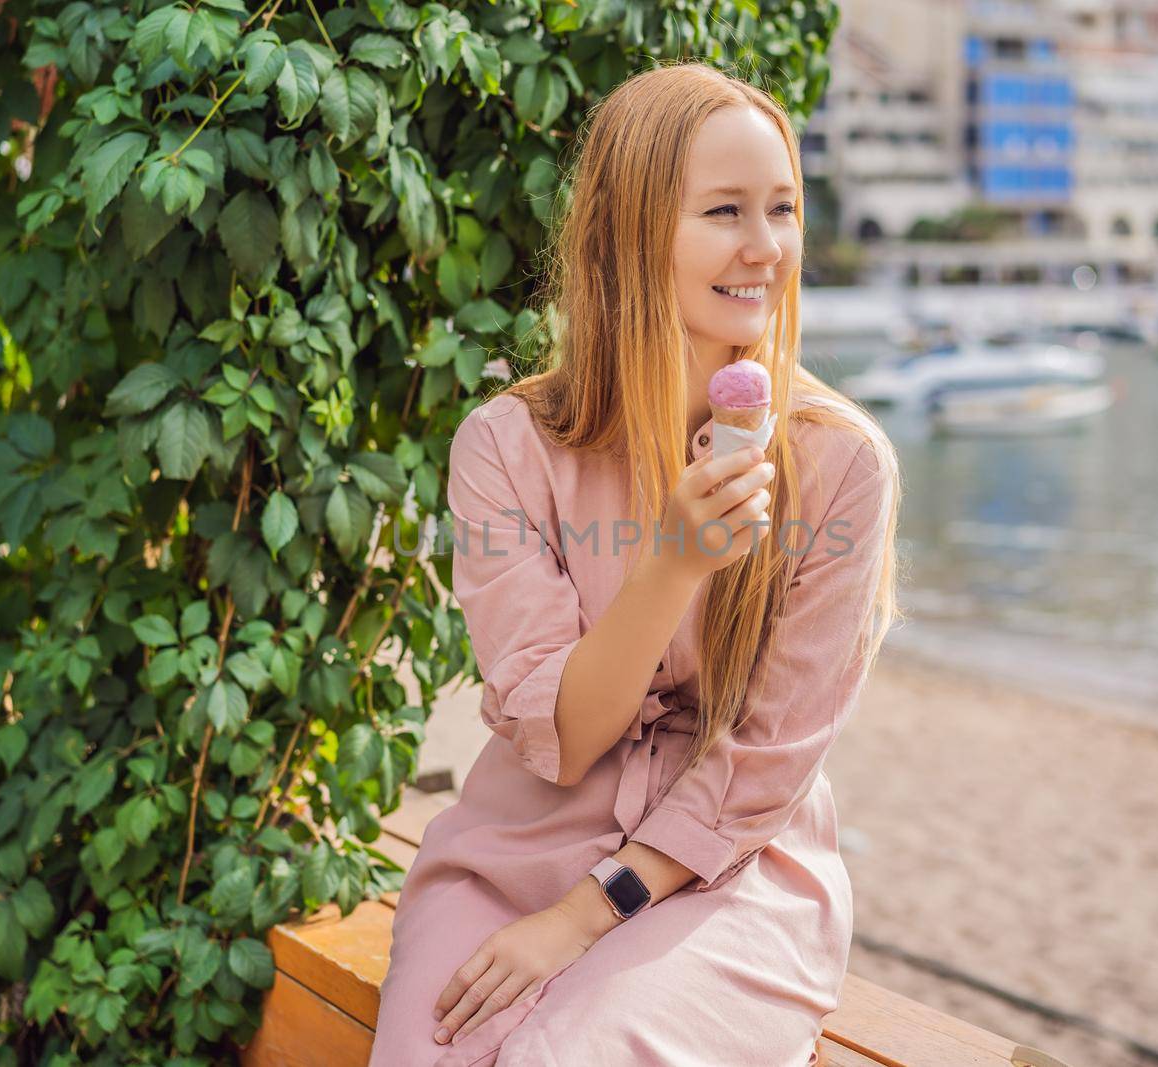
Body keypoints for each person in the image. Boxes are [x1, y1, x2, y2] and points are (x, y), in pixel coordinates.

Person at [369, 60, 901, 1066]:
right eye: (724, 211)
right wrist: (670, 565)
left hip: (723, 874)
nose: (764, 247)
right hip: (513, 849)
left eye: (781, 208)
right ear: (629, 229)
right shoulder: (506, 448)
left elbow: (763, 762)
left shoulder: (840, 466)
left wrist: (582, 915)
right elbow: (560, 743)